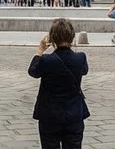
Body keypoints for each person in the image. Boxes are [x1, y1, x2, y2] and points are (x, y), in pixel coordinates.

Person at [28, 18, 90, 149]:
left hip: (49, 114)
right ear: (72, 36)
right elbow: (84, 71)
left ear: (52, 38)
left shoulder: (46, 60)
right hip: (74, 113)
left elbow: (33, 71)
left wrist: (40, 50)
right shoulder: (80, 58)